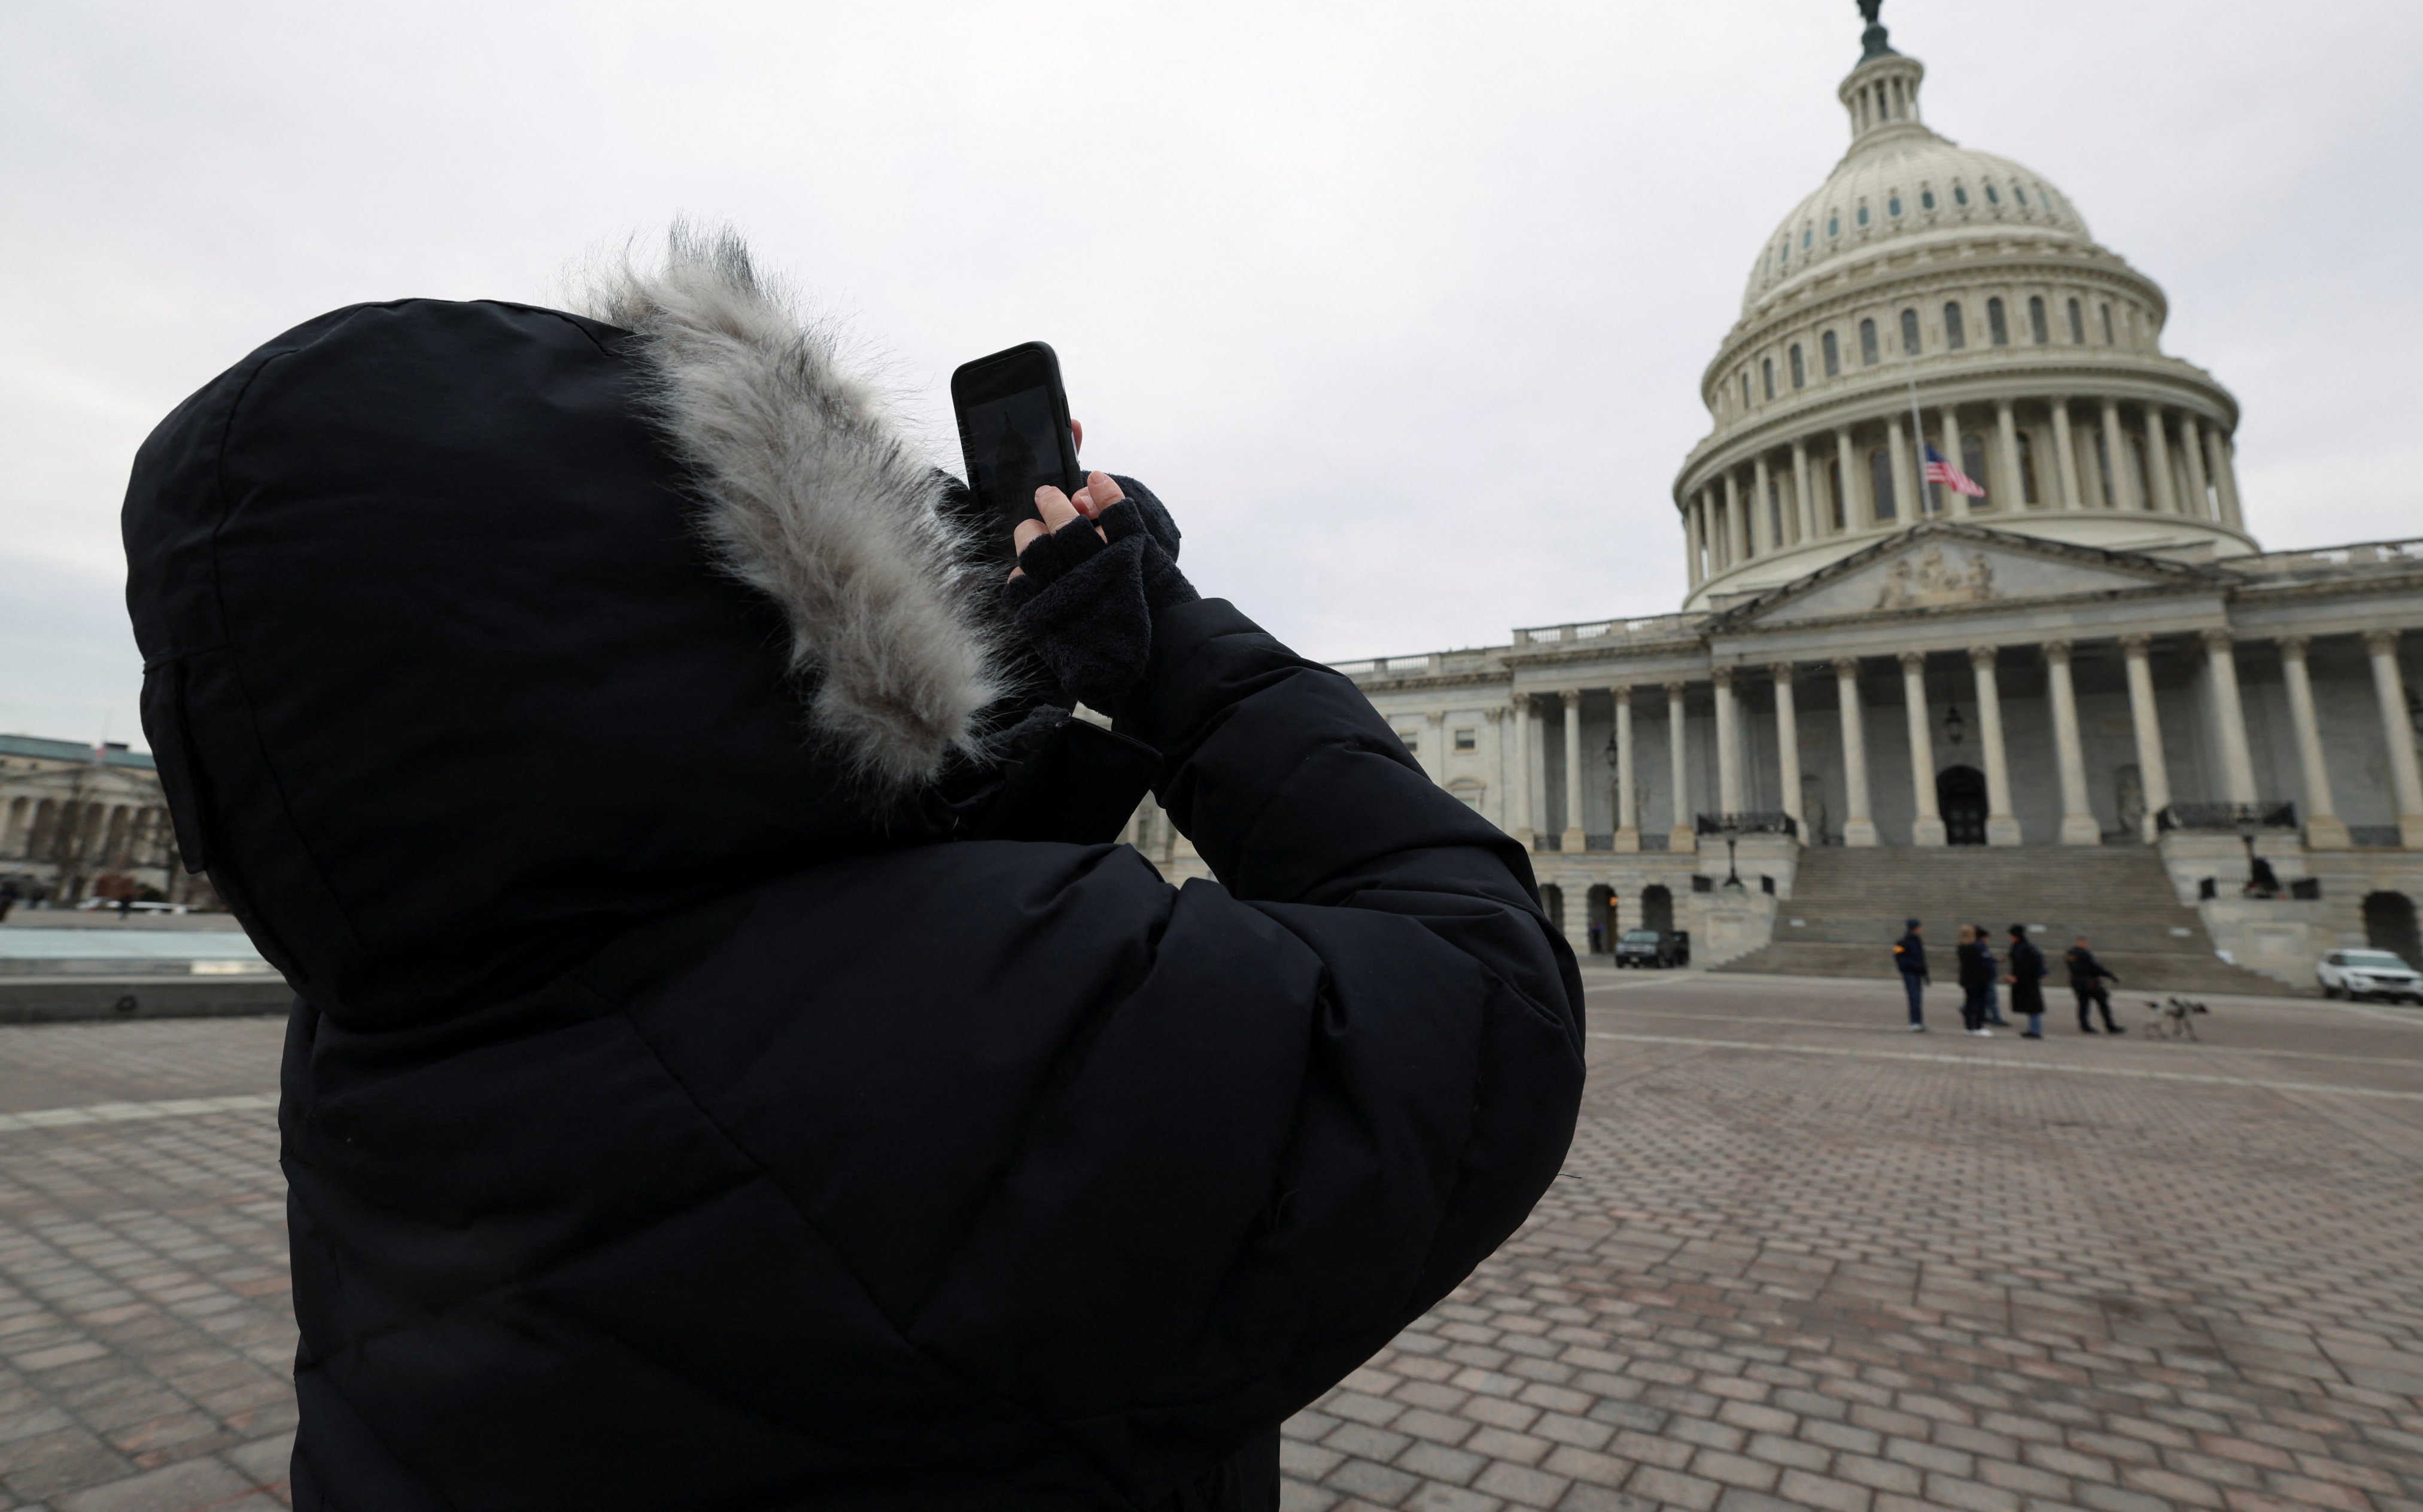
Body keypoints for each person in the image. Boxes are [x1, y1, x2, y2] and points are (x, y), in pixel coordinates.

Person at [118, 229, 1588, 1511]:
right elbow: (1481, 980)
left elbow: (789, 976)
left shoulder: (393, 1022)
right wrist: (1179, 655)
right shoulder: (994, 1035)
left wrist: (972, 743)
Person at [2067, 935, 2122, 1033]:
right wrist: (2110, 976)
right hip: (2090, 983)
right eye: (2085, 943)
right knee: (2103, 1003)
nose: (2086, 945)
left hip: (2077, 982)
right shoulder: (2085, 954)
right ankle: (2110, 1026)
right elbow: (2096, 968)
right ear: (2082, 943)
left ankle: (2085, 1026)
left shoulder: (2070, 954)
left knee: (2083, 1005)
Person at [2007, 923, 2048, 1039]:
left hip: (2028, 982)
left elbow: (2025, 966)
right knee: (2031, 1007)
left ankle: (2035, 1031)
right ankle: (2033, 1029)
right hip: (2028, 981)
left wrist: (2016, 977)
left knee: (2033, 1007)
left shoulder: (2023, 948)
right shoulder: (2022, 946)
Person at [1954, 924, 1992, 1036]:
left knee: (1970, 1002)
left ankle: (1969, 1026)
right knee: (1980, 1003)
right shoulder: (1976, 947)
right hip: (1978, 979)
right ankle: (1978, 1026)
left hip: (1967, 979)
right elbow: (1982, 964)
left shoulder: (1961, 947)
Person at [1892, 918, 1928, 1032]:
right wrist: (1913, 966)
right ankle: (1915, 1022)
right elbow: (1899, 957)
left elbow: (1922, 959)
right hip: (1910, 974)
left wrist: (1924, 973)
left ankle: (1918, 1021)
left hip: (1917, 974)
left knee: (1918, 998)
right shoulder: (1902, 942)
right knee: (1914, 998)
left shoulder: (1918, 941)